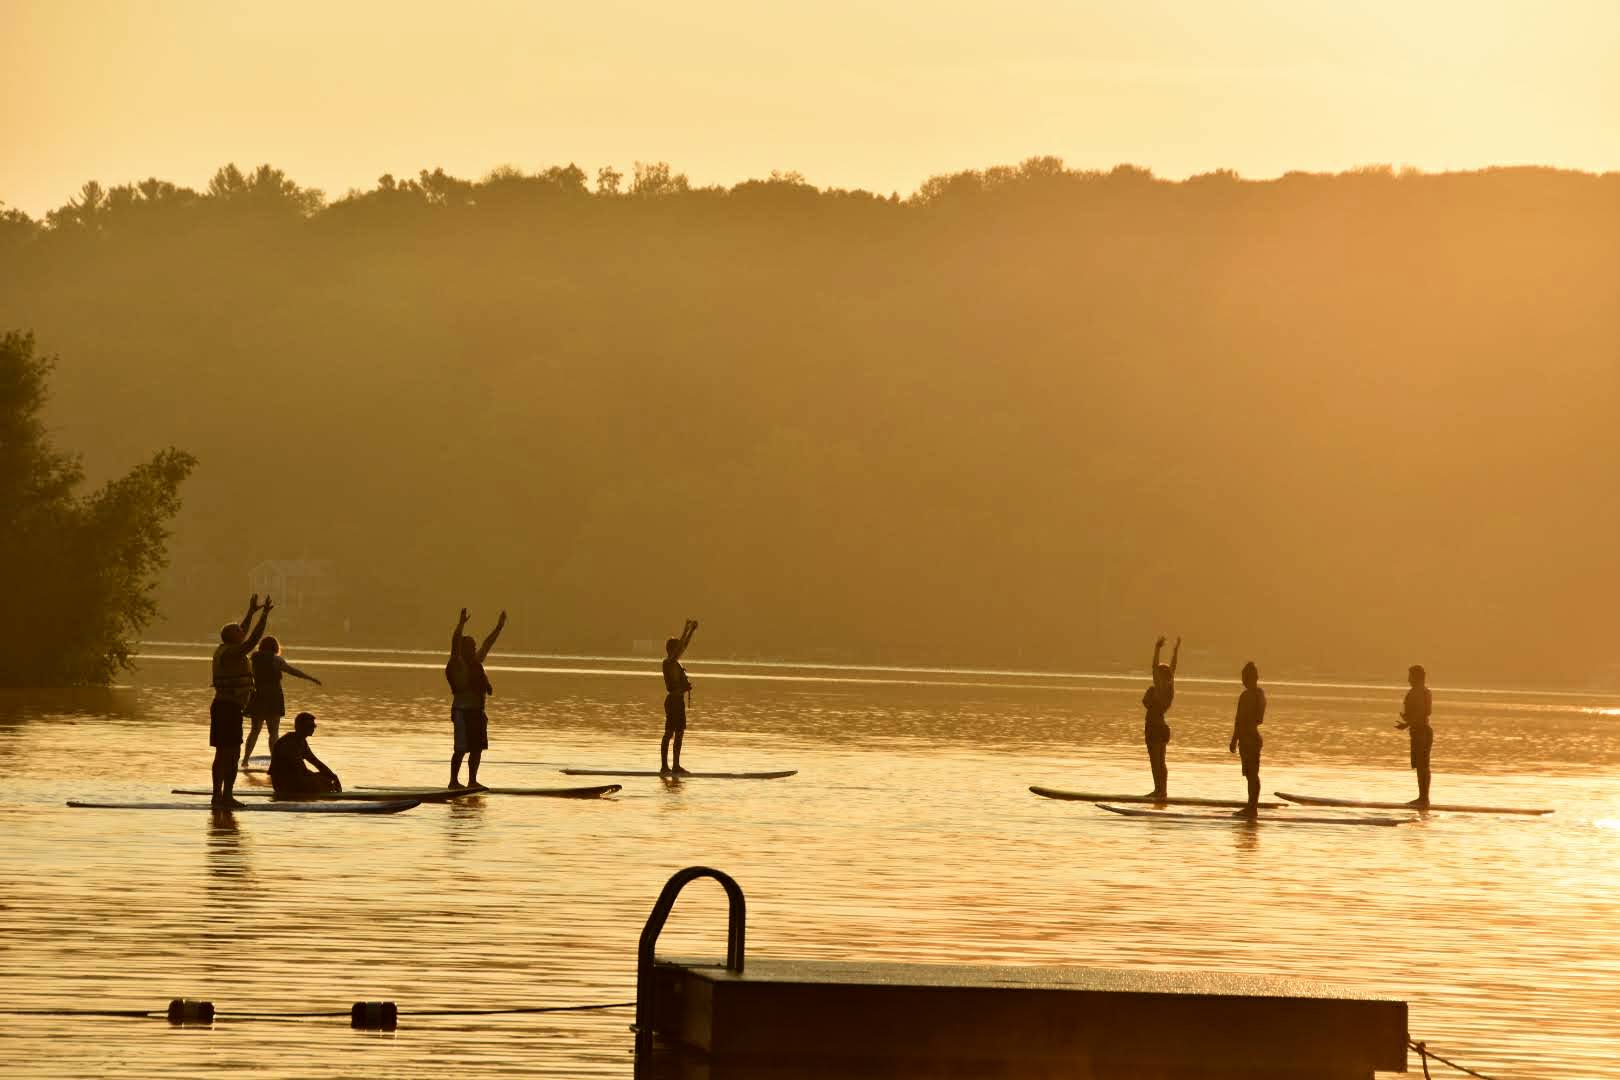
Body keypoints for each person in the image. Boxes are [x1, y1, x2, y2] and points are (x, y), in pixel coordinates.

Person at [210, 595, 272, 807]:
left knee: (224, 753)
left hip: (225, 707)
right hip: (227, 708)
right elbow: (253, 640)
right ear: (233, 637)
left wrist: (251, 612)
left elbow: (243, 632)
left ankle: (220, 796)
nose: (242, 631)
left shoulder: (227, 648)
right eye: (238, 630)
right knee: (230, 753)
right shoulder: (232, 653)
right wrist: (264, 616)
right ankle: (224, 797)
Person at [446, 607, 505, 788]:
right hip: (462, 713)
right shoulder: (457, 663)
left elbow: (488, 644)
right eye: (470, 647)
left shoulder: (476, 662)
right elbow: (455, 642)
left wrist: (499, 627)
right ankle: (453, 782)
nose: (474, 649)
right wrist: (461, 624)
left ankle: (472, 781)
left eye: (474, 647)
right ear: (462, 649)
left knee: (477, 749)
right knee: (461, 749)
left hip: (477, 713)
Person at [241, 636, 322, 767]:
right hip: (273, 697)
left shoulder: (253, 658)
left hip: (257, 696)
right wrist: (310, 678)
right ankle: (275, 762)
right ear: (275, 647)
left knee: (254, 730)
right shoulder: (276, 660)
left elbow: (246, 675)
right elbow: (293, 671)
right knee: (273, 732)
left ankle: (245, 760)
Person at [1141, 635, 1180, 798]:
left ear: (1162, 678)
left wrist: (1157, 649)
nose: (1155, 675)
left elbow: (1155, 668)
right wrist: (1175, 651)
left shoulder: (1161, 689)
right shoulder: (1167, 689)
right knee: (1158, 762)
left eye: (1158, 674)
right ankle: (1160, 790)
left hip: (1155, 728)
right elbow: (1172, 669)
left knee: (1157, 761)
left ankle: (1161, 790)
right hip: (1158, 728)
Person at [268, 712, 342, 797]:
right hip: (283, 784)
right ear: (301, 726)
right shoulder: (288, 742)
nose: (314, 727)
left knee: (326, 777)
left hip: (294, 778)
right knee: (322, 781)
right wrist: (319, 779)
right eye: (311, 725)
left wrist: (333, 776)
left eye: (314, 725)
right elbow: (298, 769)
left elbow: (316, 762)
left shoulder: (301, 741)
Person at [1228, 661, 1266, 817]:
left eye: (1244, 677)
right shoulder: (1260, 694)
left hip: (1247, 738)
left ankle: (1251, 808)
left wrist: (1233, 740)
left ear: (1249, 677)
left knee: (1251, 775)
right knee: (1253, 774)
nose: (1242, 680)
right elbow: (1259, 719)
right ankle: (1252, 806)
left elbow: (1240, 720)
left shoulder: (1246, 696)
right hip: (1255, 738)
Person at [660, 619, 698, 776]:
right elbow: (681, 646)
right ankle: (664, 767)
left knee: (680, 733)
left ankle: (675, 766)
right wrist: (685, 629)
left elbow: (684, 645)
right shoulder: (668, 662)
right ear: (671, 650)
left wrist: (692, 631)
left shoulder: (676, 662)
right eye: (677, 649)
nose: (680, 651)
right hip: (672, 702)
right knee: (669, 733)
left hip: (679, 702)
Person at [1395, 663, 1433, 806]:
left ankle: (1424, 799)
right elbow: (1422, 713)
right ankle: (1422, 798)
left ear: (1417, 677)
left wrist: (1408, 722)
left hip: (1422, 732)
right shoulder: (1424, 691)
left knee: (1423, 765)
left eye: (1411, 676)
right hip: (1419, 731)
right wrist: (1407, 722)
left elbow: (1424, 712)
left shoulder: (1419, 692)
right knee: (1420, 765)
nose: (1409, 679)